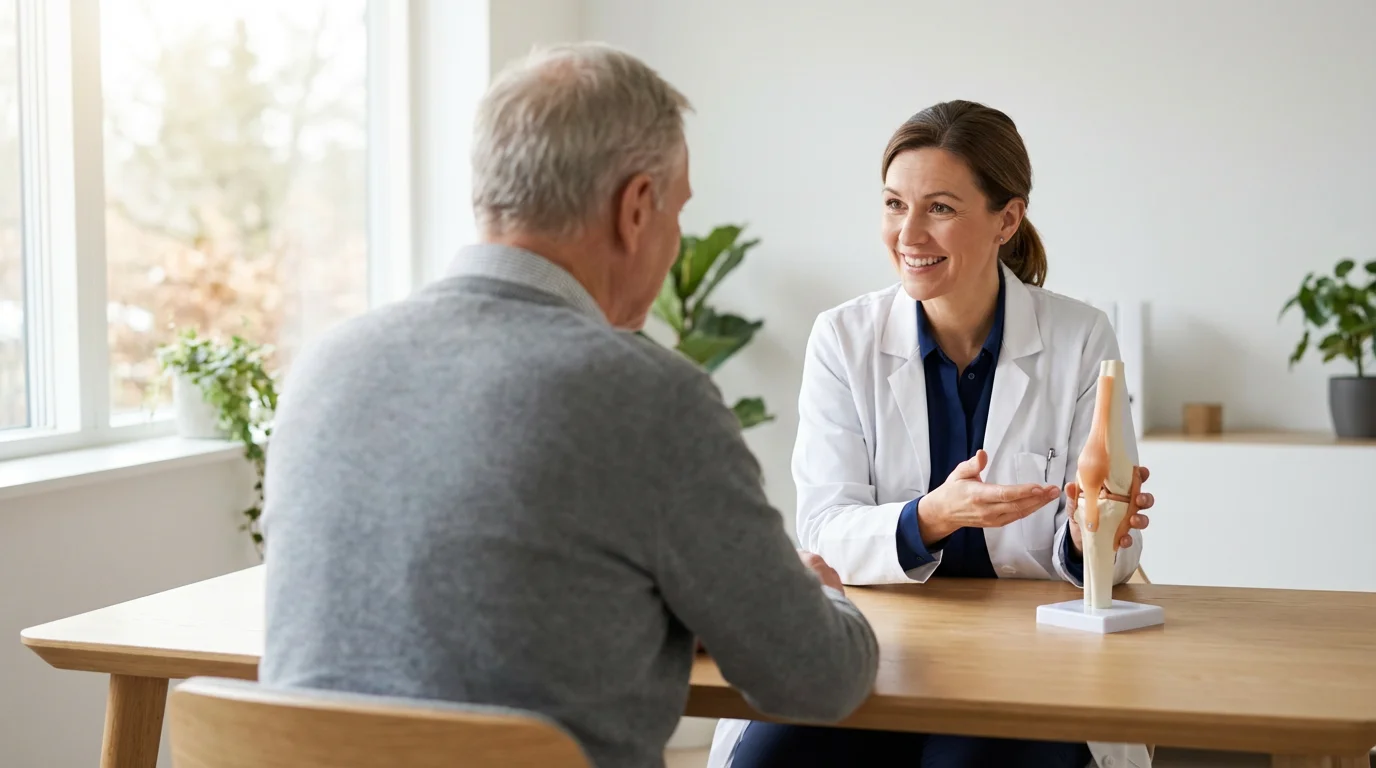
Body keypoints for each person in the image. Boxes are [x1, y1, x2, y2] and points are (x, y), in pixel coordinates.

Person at [258, 42, 879, 768]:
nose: (676, 240)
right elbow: (820, 679)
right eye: (678, 212)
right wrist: (822, 598)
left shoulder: (325, 366)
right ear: (637, 208)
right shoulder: (652, 397)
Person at [708, 100, 1157, 768]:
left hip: (1029, 653)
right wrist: (928, 518)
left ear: (1007, 218)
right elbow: (826, 528)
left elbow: (1112, 562)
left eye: (940, 208)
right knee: (768, 761)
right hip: (876, 642)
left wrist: (1096, 529)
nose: (908, 233)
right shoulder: (842, 338)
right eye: (894, 205)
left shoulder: (1080, 337)